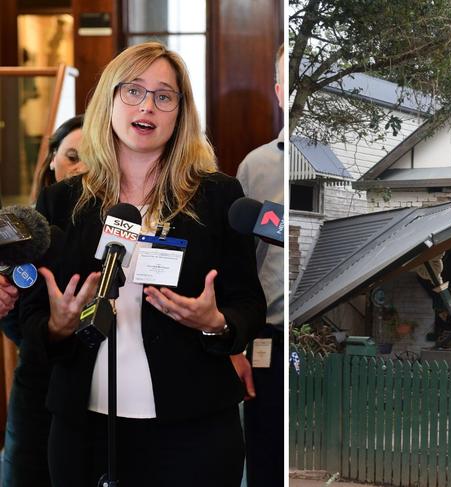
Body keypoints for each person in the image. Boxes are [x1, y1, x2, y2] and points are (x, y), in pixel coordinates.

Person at [20, 42, 265, 487]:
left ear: (179, 112)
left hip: (193, 431)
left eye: (163, 96)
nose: (147, 106)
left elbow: (247, 305)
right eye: (133, 91)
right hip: (83, 430)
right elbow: (31, 317)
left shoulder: (217, 197)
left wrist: (214, 322)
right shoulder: (62, 202)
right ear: (109, 101)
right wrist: (57, 325)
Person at [2, 114, 85, 487]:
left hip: (90, 392)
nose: (79, 167)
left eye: (92, 158)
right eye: (71, 155)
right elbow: (13, 323)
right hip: (36, 383)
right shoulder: (24, 229)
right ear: (52, 159)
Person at [234, 42, 284, 487]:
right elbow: (236, 261)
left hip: (320, 334)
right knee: (265, 452)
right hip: (268, 335)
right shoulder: (255, 167)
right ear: (279, 91)